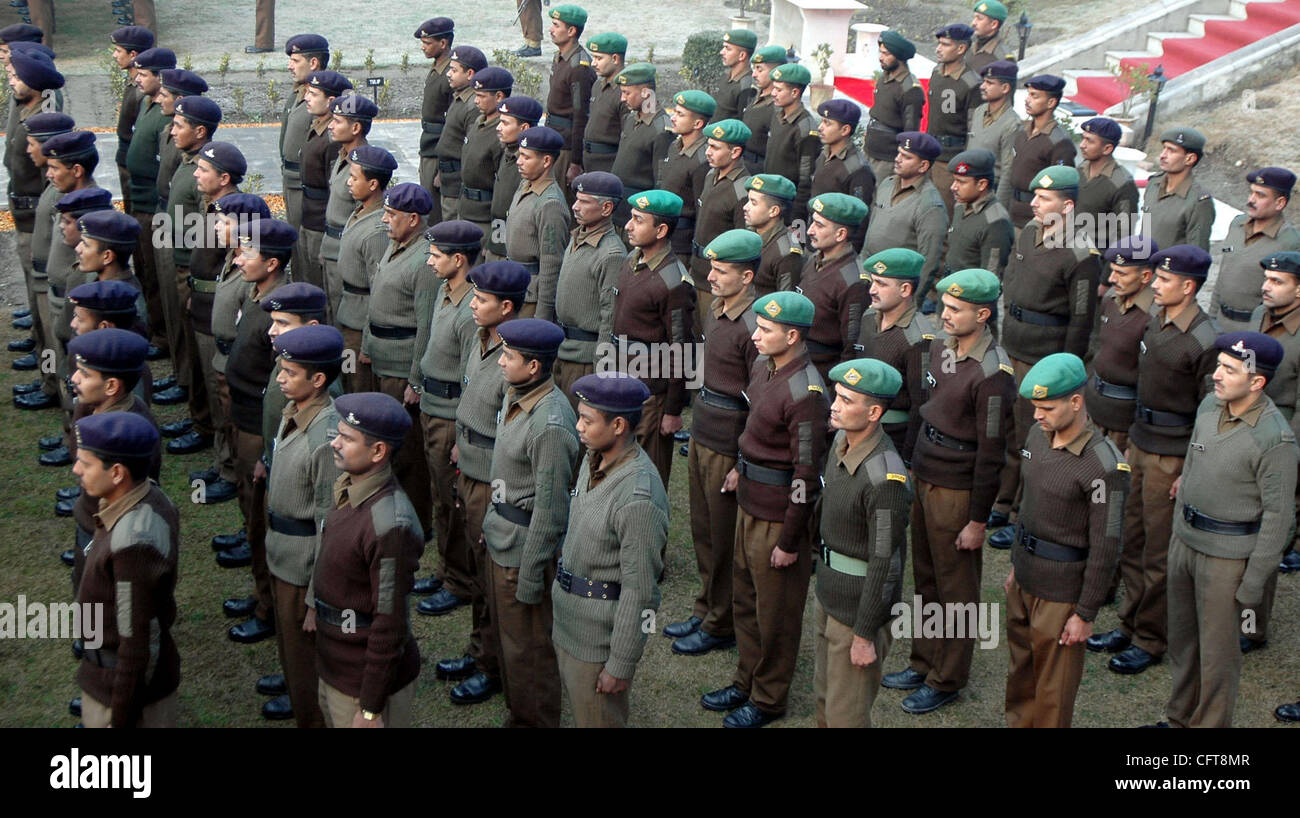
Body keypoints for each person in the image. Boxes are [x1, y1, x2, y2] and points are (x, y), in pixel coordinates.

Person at [883, 268, 1013, 715]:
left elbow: (992, 454)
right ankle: (924, 659)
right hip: (925, 474)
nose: (944, 316)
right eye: (943, 306)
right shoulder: (939, 348)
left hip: (958, 488)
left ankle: (948, 676)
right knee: (926, 577)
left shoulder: (993, 373)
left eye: (956, 310)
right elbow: (923, 409)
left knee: (956, 589)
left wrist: (978, 520)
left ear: (983, 313)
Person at [1085, 246, 1219, 675]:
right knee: (1133, 538)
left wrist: (1190, 469)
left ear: (1188, 286)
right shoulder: (1156, 320)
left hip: (1172, 454)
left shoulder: (1204, 340)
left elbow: (1211, 413)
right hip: (1141, 441)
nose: (1154, 286)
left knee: (1159, 553)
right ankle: (1130, 622)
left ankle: (1151, 637)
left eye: (1162, 281)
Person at [700, 290, 828, 728]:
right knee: (747, 600)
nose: (755, 336)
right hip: (749, 501)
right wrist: (739, 466)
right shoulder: (763, 367)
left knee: (776, 615)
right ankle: (746, 681)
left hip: (777, 517)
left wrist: (791, 540)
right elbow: (755, 427)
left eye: (766, 330)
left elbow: (806, 474)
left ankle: (769, 698)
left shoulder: (806, 392)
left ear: (792, 336)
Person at [1162, 333, 1297, 727]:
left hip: (1227, 559)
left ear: (1257, 383)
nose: (1216, 376)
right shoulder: (1209, 406)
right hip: (1186, 543)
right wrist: (1177, 533)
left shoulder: (1275, 439)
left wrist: (1254, 583)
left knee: (1218, 656)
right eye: (1219, 365)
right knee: (1184, 643)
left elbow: (1278, 518)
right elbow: (1190, 468)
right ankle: (1179, 717)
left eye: (1229, 370)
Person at [1003, 353, 1129, 728]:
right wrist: (1015, 566)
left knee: (1053, 691)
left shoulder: (1104, 466)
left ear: (1076, 403)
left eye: (1047, 407)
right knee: (1020, 672)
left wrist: (1086, 612)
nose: (1038, 415)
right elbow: (1028, 505)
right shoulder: (1036, 437)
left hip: (1061, 592)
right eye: (1035, 407)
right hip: (1026, 575)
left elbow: (1107, 545)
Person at [989, 166, 1101, 549]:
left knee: (1032, 437)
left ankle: (1022, 516)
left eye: (1045, 198)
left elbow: (1081, 318)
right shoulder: (1031, 233)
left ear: (1067, 206)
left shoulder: (1081, 254)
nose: (1034, 203)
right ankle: (1003, 502)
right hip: (1015, 345)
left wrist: (1065, 372)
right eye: (1034, 195)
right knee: (1009, 431)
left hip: (1045, 356)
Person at [438, 261, 532, 705]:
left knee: (493, 576)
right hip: (469, 465)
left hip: (492, 479)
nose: (472, 306)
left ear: (507, 307)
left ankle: (491, 664)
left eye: (481, 300)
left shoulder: (515, 359)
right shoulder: (482, 339)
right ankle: (480, 651)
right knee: (478, 571)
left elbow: (512, 433)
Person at [555, 372, 669, 727]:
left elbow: (642, 591)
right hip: (570, 624)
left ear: (618, 425)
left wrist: (620, 663)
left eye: (588, 420)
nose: (578, 426)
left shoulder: (639, 497)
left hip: (598, 640)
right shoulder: (595, 460)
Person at [665, 229, 760, 656]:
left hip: (729, 441)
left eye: (723, 271)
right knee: (703, 529)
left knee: (724, 539)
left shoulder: (756, 325)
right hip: (703, 430)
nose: (713, 277)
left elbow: (759, 401)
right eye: (713, 268)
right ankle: (707, 605)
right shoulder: (717, 309)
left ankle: (722, 622)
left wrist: (743, 460)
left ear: (747, 276)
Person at [482, 319, 579, 727]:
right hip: (502, 537)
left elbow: (552, 509)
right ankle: (518, 714)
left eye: (509, 356)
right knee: (511, 646)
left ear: (535, 366)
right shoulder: (517, 395)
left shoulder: (550, 424)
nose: (501, 362)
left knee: (530, 651)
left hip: (523, 550)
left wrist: (532, 572)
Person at [312, 392, 425, 728]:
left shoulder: (390, 524)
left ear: (378, 451)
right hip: (336, 668)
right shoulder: (350, 488)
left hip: (361, 686)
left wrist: (371, 708)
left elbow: (389, 624)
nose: (334, 444)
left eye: (347, 438)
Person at [815, 358, 912, 728]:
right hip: (828, 595)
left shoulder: (885, 479)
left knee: (847, 717)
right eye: (836, 395)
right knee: (825, 704)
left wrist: (865, 633)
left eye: (846, 400)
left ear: (874, 412)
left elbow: (886, 562)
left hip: (856, 612)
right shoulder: (841, 441)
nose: (834, 405)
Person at [259, 324, 343, 726]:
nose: (280, 379)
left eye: (289, 373)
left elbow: (330, 520)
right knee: (292, 658)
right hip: (282, 554)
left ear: (319, 379)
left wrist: (315, 597)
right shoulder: (293, 413)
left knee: (308, 670)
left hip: (303, 565)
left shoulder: (325, 436)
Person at [72, 411, 178, 728]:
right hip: (110, 680)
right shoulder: (145, 497)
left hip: (122, 692)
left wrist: (121, 717)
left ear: (117, 473)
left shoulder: (135, 542)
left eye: (86, 463)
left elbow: (136, 643)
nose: (76, 470)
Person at [221, 218, 297, 646]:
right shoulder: (258, 296)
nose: (238, 257)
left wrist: (269, 452)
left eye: (246, 253)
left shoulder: (280, 310)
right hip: (243, 420)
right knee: (250, 513)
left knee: (259, 520)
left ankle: (267, 606)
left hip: (257, 427)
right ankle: (260, 592)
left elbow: (279, 394)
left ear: (271, 263)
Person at [410, 221, 484, 621]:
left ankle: (460, 579)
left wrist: (462, 432)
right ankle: (445, 568)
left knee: (455, 502)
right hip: (432, 406)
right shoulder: (443, 291)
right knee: (440, 496)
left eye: (436, 255)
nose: (430, 261)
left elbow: (473, 377)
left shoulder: (471, 308)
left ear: (459, 260)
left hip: (451, 414)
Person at [360, 183, 436, 535]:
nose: (385, 220)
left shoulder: (423, 261)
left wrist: (416, 380)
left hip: (401, 368)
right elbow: (375, 298)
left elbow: (426, 326)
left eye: (392, 215)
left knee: (407, 455)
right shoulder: (394, 247)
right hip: (380, 359)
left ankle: (415, 522)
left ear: (414, 219)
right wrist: (365, 344)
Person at [610, 189, 697, 488]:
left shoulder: (674, 282)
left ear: (660, 230)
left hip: (651, 393)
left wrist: (672, 410)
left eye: (638, 220)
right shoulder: (632, 261)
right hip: (620, 379)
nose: (628, 226)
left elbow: (682, 349)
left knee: (646, 478)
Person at [1242, 251, 1300, 645]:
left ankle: (1251, 626)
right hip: (1244, 434)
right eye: (1267, 278)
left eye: (1278, 281)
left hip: (1280, 443)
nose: (1266, 285)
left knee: (1264, 537)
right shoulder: (1256, 317)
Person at [160, 97, 223, 453]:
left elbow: (210, 232)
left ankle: (210, 428)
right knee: (191, 349)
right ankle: (199, 416)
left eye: (179, 126)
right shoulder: (191, 163)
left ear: (200, 132)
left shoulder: (207, 170)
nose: (173, 130)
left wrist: (196, 277)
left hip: (194, 273)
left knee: (203, 353)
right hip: (182, 265)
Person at [8, 54, 66, 403]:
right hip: (25, 214)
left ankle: (51, 385)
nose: (11, 81)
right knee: (40, 313)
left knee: (50, 324)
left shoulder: (42, 120)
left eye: (17, 76)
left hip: (34, 219)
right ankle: (46, 377)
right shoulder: (25, 110)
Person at [15, 112, 74, 417]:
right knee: (48, 345)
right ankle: (49, 383)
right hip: (43, 279)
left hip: (54, 284)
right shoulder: (53, 188)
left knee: (57, 351)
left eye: (32, 144)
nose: (28, 150)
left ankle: (59, 396)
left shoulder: (63, 195)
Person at [856, 247, 937, 463]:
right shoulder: (868, 317)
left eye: (881, 284)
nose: (872, 290)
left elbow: (921, 406)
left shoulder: (918, 339)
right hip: (858, 425)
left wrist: (909, 458)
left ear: (905, 289)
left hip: (892, 438)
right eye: (872, 282)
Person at [553, 171, 626, 405]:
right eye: (576, 199)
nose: (575, 207)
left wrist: (600, 370)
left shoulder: (611, 254)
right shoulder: (577, 237)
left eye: (584, 202)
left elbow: (610, 316)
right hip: (563, 351)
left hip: (584, 360)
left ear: (606, 208)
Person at [1084, 235, 1158, 453]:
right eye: (1112, 270)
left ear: (1145, 276)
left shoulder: (1154, 317)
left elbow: (1152, 382)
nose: (1112, 278)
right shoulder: (1110, 300)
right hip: (1095, 409)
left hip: (1124, 422)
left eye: (1121, 273)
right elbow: (1099, 347)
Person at [335, 144, 396, 393]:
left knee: (359, 387)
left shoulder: (377, 231)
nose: (348, 182)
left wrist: (369, 342)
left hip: (360, 326)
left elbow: (379, 287)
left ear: (373, 185)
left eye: (354, 177)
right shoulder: (360, 212)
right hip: (349, 316)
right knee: (349, 379)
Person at [863, 132, 948, 308]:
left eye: (906, 157)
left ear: (923, 165)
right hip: (869, 275)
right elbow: (871, 230)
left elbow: (929, 261)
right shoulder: (887, 184)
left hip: (896, 287)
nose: (898, 159)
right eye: (899, 153)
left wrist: (912, 303)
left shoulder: (930, 205)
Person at [1210, 167, 1300, 333]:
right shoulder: (1237, 225)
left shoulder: (1290, 242)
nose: (1251, 200)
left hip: (1253, 329)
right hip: (1220, 323)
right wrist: (1212, 317)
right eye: (1251, 193)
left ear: (1280, 203)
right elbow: (1223, 277)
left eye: (1261, 195)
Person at [798, 191, 870, 384]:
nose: (810, 230)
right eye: (812, 222)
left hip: (824, 375)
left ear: (841, 234)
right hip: (801, 362)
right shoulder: (813, 260)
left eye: (819, 225)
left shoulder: (853, 282)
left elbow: (852, 345)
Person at [320, 93, 379, 322]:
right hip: (332, 248)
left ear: (355, 127)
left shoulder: (363, 166)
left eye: (337, 121)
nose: (331, 126)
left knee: (343, 318)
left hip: (346, 255)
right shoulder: (344, 156)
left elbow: (366, 216)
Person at [505, 126, 572, 320]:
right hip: (515, 286)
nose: (519, 162)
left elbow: (551, 264)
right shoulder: (525, 185)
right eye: (520, 155)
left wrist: (543, 315)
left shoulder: (550, 204)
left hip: (530, 297)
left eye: (526, 157)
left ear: (546, 161)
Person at [691, 118, 752, 327]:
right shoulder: (710, 175)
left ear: (735, 152)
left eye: (715, 147)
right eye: (708, 145)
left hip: (715, 281)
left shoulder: (742, 190)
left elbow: (741, 243)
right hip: (696, 270)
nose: (708, 151)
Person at [280, 34, 330, 280]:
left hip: (306, 183)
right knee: (296, 246)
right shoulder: (298, 93)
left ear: (313, 64)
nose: (290, 66)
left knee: (308, 250)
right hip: (291, 181)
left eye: (295, 60)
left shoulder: (324, 95)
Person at [297, 70, 352, 291]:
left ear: (330, 101)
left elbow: (334, 189)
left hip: (320, 221)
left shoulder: (332, 139)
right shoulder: (317, 126)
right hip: (308, 215)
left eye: (313, 94)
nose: (306, 98)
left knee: (320, 286)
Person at [943, 149, 1013, 316]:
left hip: (969, 309)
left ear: (982, 184)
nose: (953, 187)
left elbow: (989, 280)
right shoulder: (961, 206)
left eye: (961, 182)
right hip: (949, 294)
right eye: (954, 181)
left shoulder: (996, 221)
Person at [1004, 75, 1077, 230]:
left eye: (1034, 96)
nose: (1027, 100)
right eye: (1028, 94)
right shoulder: (1023, 133)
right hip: (1013, 213)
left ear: (1051, 102)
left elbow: (1061, 190)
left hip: (1035, 220)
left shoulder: (1059, 142)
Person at [656, 89, 714, 271]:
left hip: (682, 244)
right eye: (675, 112)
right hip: (663, 234)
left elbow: (701, 212)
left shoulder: (702, 160)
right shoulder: (675, 146)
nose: (673, 117)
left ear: (698, 123)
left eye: (680, 114)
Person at [926, 23, 979, 217]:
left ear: (961, 48)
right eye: (939, 43)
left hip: (950, 159)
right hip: (929, 155)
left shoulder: (971, 84)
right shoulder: (936, 73)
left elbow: (975, 128)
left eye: (945, 44)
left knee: (943, 212)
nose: (939, 49)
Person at [610, 63, 672, 227]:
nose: (622, 98)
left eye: (627, 93)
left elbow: (660, 182)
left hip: (638, 214)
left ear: (645, 93)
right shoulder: (631, 119)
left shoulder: (661, 129)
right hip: (619, 208)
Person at [543, 5, 595, 193]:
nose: (551, 29)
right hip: (554, 138)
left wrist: (575, 161)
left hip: (566, 147)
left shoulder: (579, 67)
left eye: (556, 25)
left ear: (571, 31)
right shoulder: (561, 57)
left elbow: (581, 116)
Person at [433, 45, 487, 223]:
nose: (448, 73)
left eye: (454, 70)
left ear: (470, 74)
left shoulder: (472, 105)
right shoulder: (459, 97)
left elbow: (471, 150)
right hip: (448, 179)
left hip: (457, 183)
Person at [458, 67, 512, 246]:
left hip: (485, 217)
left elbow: (502, 184)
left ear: (498, 97)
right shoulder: (477, 124)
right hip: (466, 210)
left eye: (481, 96)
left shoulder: (502, 134)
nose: (476, 101)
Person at [812, 99, 874, 253]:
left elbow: (860, 219)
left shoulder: (858, 169)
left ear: (845, 130)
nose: (820, 127)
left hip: (835, 246)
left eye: (828, 123)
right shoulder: (824, 154)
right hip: (816, 234)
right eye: (822, 121)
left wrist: (847, 254)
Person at [1140, 128, 1215, 253]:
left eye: (1172, 151)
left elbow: (1197, 253)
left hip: (1168, 269)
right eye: (1164, 148)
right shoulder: (1154, 184)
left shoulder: (1199, 201)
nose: (1163, 155)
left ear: (1189, 159)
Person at [763, 62, 819, 225]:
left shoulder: (805, 128)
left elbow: (806, 177)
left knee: (794, 247)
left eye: (779, 90)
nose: (773, 93)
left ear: (795, 92)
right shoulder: (777, 115)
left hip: (792, 207)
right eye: (773, 88)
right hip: (771, 197)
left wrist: (797, 218)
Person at [865, 31, 923, 184]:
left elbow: (910, 131)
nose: (880, 57)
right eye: (880, 52)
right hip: (870, 150)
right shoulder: (884, 78)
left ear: (899, 56)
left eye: (886, 53)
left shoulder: (910, 89)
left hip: (887, 159)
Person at [490, 96, 544, 260]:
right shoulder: (506, 153)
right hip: (496, 239)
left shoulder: (529, 166)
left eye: (505, 123)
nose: (498, 128)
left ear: (524, 128)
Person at [1075, 117, 1139, 251]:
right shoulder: (1081, 169)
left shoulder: (1122, 183)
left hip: (1097, 258)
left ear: (1107, 148)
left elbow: (1124, 234)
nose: (1082, 145)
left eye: (1089, 141)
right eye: (1083, 138)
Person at [109, 26, 153, 219]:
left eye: (118, 50)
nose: (114, 55)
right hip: (126, 160)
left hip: (133, 166)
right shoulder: (134, 83)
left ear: (133, 54)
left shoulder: (142, 90)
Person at [413, 17, 454, 215]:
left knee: (435, 212)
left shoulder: (451, 74)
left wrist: (442, 168)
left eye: (427, 43)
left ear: (443, 43)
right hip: (428, 146)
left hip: (438, 149)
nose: (423, 47)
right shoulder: (437, 68)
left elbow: (453, 125)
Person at [966, 60, 1021, 202]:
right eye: (984, 82)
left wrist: (999, 205)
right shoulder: (979, 111)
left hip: (990, 191)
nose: (983, 87)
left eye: (990, 83)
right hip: (969, 186)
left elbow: (1007, 170)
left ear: (1005, 88)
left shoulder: (1012, 124)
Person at [743, 173, 803, 296]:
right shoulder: (750, 235)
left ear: (774, 211)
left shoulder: (786, 253)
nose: (745, 207)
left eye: (753, 203)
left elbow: (786, 302)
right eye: (748, 200)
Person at [581, 32, 627, 176]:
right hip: (590, 161)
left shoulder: (625, 92)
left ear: (615, 58)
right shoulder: (597, 85)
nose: (593, 63)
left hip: (609, 165)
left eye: (599, 58)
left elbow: (627, 137)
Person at [740, 46, 788, 174]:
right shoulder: (754, 96)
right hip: (743, 162)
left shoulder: (778, 107)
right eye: (754, 68)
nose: (754, 74)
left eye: (759, 69)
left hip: (760, 169)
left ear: (776, 72)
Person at [715, 29, 757, 122]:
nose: (722, 52)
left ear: (742, 55)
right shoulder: (726, 76)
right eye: (723, 48)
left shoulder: (747, 86)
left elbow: (744, 123)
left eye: (728, 49)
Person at [967, 0, 1009, 75]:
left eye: (979, 19)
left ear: (994, 24)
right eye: (974, 18)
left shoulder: (1002, 57)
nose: (973, 23)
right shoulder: (968, 47)